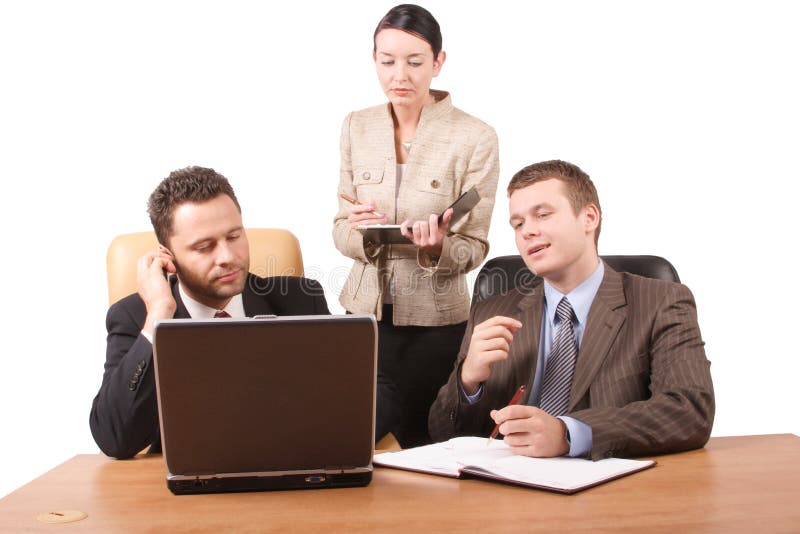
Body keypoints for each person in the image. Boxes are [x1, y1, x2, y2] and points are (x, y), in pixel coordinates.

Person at [90, 166, 400, 458]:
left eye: (234, 237)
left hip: (290, 476)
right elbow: (115, 438)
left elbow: (378, 391)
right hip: (188, 490)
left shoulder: (297, 299)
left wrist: (308, 438)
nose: (227, 256)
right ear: (167, 256)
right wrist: (158, 315)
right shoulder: (135, 316)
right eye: (204, 247)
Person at [429, 160, 715, 460]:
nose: (527, 232)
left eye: (542, 215)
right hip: (510, 490)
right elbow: (441, 434)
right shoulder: (491, 311)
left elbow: (689, 410)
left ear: (589, 217)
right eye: (518, 224)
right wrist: (468, 381)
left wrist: (570, 433)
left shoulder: (661, 301)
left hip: (613, 491)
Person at [333, 4, 500, 448]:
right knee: (354, 440)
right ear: (374, 60)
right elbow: (339, 228)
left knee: (430, 443)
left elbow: (476, 246)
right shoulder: (356, 127)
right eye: (386, 62)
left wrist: (435, 248)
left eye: (414, 61)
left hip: (437, 324)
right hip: (363, 316)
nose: (398, 75)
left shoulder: (476, 137)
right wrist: (363, 233)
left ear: (438, 62)